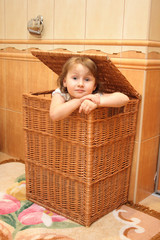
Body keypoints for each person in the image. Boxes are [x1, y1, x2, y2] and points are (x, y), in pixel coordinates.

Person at [50, 56, 129, 121]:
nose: (81, 84)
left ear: (94, 86)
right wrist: (79, 101)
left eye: (87, 79)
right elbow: (54, 115)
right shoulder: (61, 93)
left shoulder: (94, 96)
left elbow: (124, 99)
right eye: (75, 78)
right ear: (64, 82)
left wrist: (98, 102)